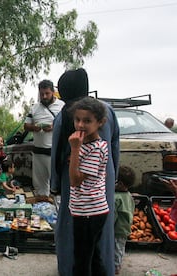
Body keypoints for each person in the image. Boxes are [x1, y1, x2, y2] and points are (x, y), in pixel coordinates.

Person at [51, 68, 120, 276]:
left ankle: (71, 270)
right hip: (102, 180)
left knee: (72, 227)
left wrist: (55, 185)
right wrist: (112, 178)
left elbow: (56, 154)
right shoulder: (106, 111)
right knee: (103, 229)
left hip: (73, 178)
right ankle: (104, 269)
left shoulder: (67, 115)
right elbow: (115, 147)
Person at [67, 96, 109, 275]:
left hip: (89, 212)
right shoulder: (87, 145)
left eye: (87, 121)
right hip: (86, 210)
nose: (81, 125)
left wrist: (75, 149)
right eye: (77, 120)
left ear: (100, 122)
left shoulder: (96, 148)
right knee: (92, 255)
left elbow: (75, 180)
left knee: (82, 259)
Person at [24, 79, 64, 197]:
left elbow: (68, 127)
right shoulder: (35, 108)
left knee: (56, 184)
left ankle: (57, 210)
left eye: (47, 93)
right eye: (42, 94)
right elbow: (26, 126)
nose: (44, 96)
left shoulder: (62, 106)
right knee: (40, 185)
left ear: (53, 92)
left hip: (54, 153)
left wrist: (53, 127)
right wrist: (34, 128)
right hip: (38, 152)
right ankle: (43, 209)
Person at [114, 165, 136, 275]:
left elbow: (112, 217)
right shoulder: (129, 196)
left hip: (117, 230)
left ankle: (115, 267)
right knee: (120, 248)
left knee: (115, 249)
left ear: (120, 184)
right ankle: (118, 263)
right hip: (125, 228)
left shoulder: (116, 198)